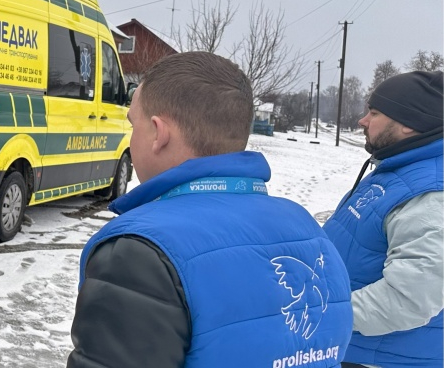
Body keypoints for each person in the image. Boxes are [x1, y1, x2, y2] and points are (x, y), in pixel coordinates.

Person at [67, 52, 353, 368]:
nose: (131, 138)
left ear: (159, 133)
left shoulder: (138, 252)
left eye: (134, 124)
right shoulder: (306, 228)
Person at [323, 70, 443, 368]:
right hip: (360, 345)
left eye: (374, 113)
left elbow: (410, 299)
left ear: (409, 125)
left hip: (386, 358)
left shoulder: (430, 195)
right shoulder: (400, 168)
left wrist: (324, 313)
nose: (363, 121)